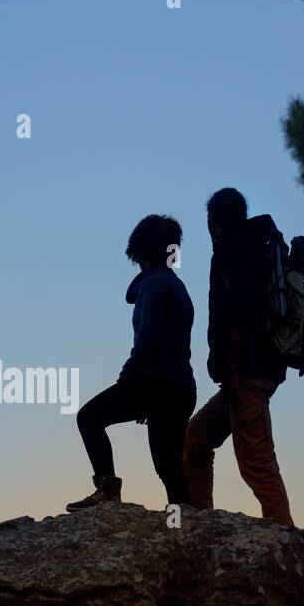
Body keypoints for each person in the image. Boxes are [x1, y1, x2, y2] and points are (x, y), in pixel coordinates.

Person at [66, 215, 196, 512]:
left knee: (89, 418)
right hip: (180, 388)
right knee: (168, 467)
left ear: (138, 250)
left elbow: (147, 341)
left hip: (154, 383)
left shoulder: (154, 287)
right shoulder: (177, 286)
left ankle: (107, 492)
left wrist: (130, 381)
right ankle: (186, 526)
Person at [182, 188, 295, 526]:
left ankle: (287, 538)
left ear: (214, 221)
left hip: (246, 372)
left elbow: (243, 312)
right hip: (251, 371)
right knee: (196, 439)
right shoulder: (256, 247)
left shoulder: (233, 251)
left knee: (257, 464)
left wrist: (231, 363)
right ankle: (202, 523)